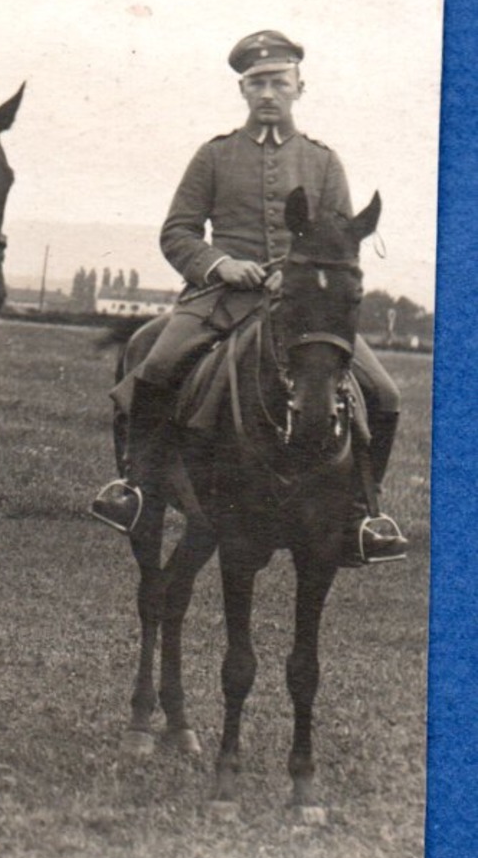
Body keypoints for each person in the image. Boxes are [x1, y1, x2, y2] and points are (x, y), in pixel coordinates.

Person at [90, 30, 407, 565]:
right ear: (242, 90)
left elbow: (341, 239)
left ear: (298, 88)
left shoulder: (324, 162)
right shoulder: (213, 156)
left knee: (386, 394)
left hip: (302, 308)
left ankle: (362, 513)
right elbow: (178, 232)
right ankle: (135, 489)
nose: (267, 93)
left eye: (278, 82)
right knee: (156, 368)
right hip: (218, 298)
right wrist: (222, 264)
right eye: (256, 82)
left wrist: (299, 278)